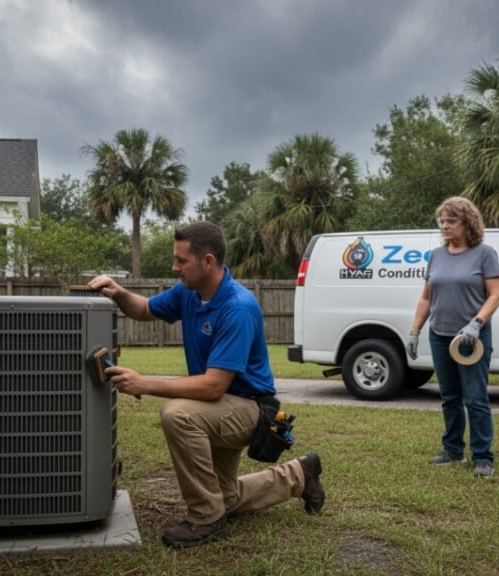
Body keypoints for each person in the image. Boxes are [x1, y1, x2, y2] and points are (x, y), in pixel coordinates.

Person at [88, 221, 324, 549]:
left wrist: (145, 383)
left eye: (181, 260)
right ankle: (301, 475)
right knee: (225, 497)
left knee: (178, 414)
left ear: (208, 261)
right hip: (218, 408)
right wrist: (118, 292)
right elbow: (143, 309)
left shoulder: (237, 308)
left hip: (251, 409)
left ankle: (206, 518)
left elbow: (213, 386)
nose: (175, 267)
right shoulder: (189, 293)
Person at [405, 197, 499, 478]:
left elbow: (495, 295)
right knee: (450, 397)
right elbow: (426, 297)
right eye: (442, 221)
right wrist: (415, 331)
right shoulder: (437, 255)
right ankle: (452, 450)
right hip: (440, 335)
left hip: (471, 339)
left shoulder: (484, 254)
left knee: (475, 398)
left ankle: (482, 457)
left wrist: (476, 324)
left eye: (452, 220)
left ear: (468, 222)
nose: (445, 226)